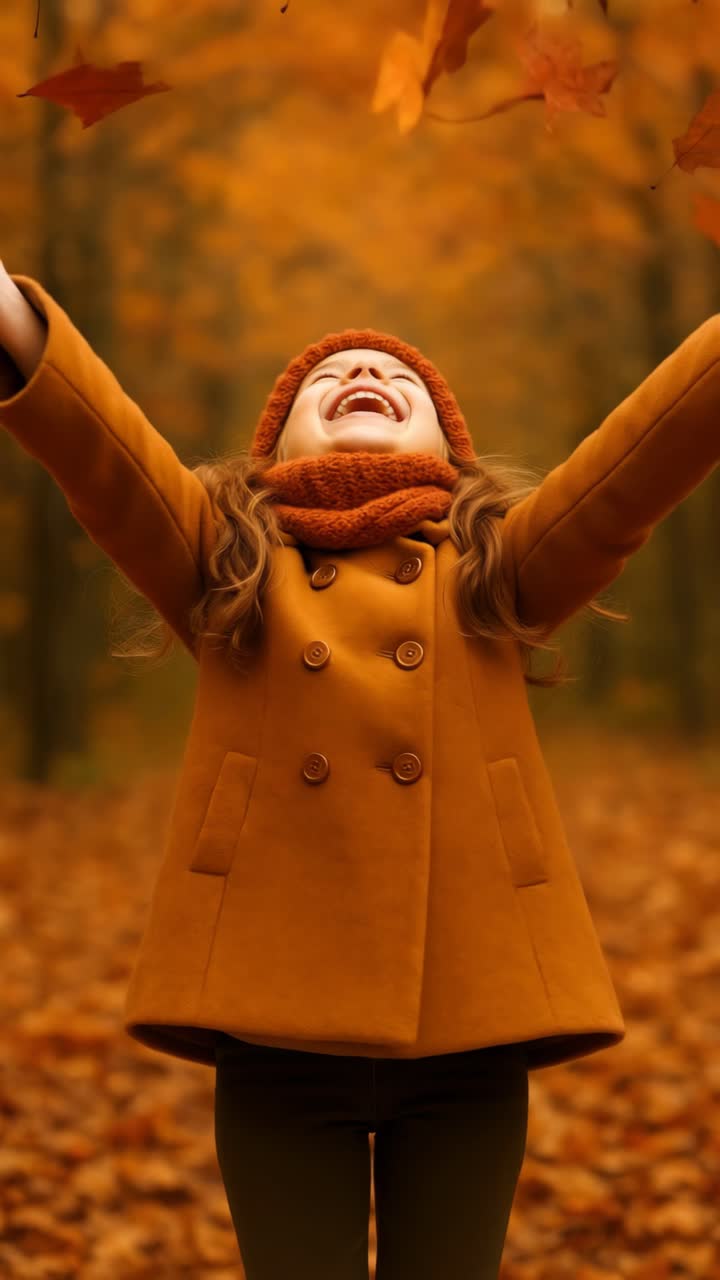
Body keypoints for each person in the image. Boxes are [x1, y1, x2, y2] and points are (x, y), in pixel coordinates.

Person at [2, 259, 719, 1279]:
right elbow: (101, 451)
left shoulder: (498, 567)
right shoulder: (224, 560)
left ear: (450, 450)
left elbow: (637, 463)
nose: (360, 375)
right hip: (275, 1025)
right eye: (322, 381)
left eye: (398, 376)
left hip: (472, 1017)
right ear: (271, 446)